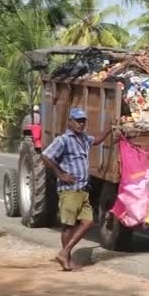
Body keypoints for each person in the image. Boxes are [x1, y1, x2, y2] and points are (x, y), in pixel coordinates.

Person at [41, 108, 112, 271]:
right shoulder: (64, 140)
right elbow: (45, 156)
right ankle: (67, 257)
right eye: (78, 121)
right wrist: (60, 174)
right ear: (70, 122)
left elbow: (97, 140)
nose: (81, 124)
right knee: (68, 225)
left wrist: (110, 128)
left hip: (83, 189)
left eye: (83, 121)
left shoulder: (84, 139)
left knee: (88, 222)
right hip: (69, 189)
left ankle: (64, 252)